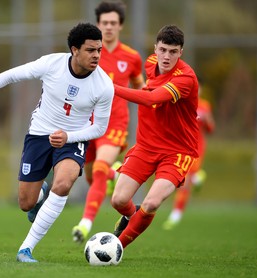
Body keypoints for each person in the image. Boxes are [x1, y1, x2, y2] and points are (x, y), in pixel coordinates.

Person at [0, 23, 114, 263]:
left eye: (99, 50)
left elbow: (99, 128)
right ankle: (42, 193)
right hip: (39, 134)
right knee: (26, 203)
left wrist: (69, 137)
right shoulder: (51, 64)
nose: (97, 55)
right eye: (90, 50)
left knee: (64, 183)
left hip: (73, 140)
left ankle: (26, 249)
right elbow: (10, 75)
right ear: (74, 50)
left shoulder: (104, 85)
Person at [110, 24, 200, 249]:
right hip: (146, 146)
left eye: (172, 51)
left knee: (150, 203)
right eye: (162, 50)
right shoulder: (151, 64)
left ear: (181, 52)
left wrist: (110, 87)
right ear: (155, 49)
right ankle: (132, 217)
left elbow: (152, 99)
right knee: (118, 200)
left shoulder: (185, 78)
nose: (166, 56)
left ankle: (115, 248)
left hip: (177, 152)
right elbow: (147, 90)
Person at [72, 0, 144, 243]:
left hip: (115, 123)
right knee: (93, 177)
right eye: (105, 23)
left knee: (100, 169)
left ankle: (85, 224)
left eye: (113, 23)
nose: (109, 27)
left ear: (120, 26)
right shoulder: (89, 53)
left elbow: (140, 88)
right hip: (86, 123)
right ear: (98, 24)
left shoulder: (132, 57)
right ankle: (116, 175)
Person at [163, 82, 215, 230]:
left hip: (197, 148)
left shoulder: (205, 106)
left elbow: (211, 129)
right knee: (183, 179)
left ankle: (175, 215)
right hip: (181, 147)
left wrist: (208, 121)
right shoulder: (181, 102)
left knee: (185, 181)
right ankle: (198, 178)